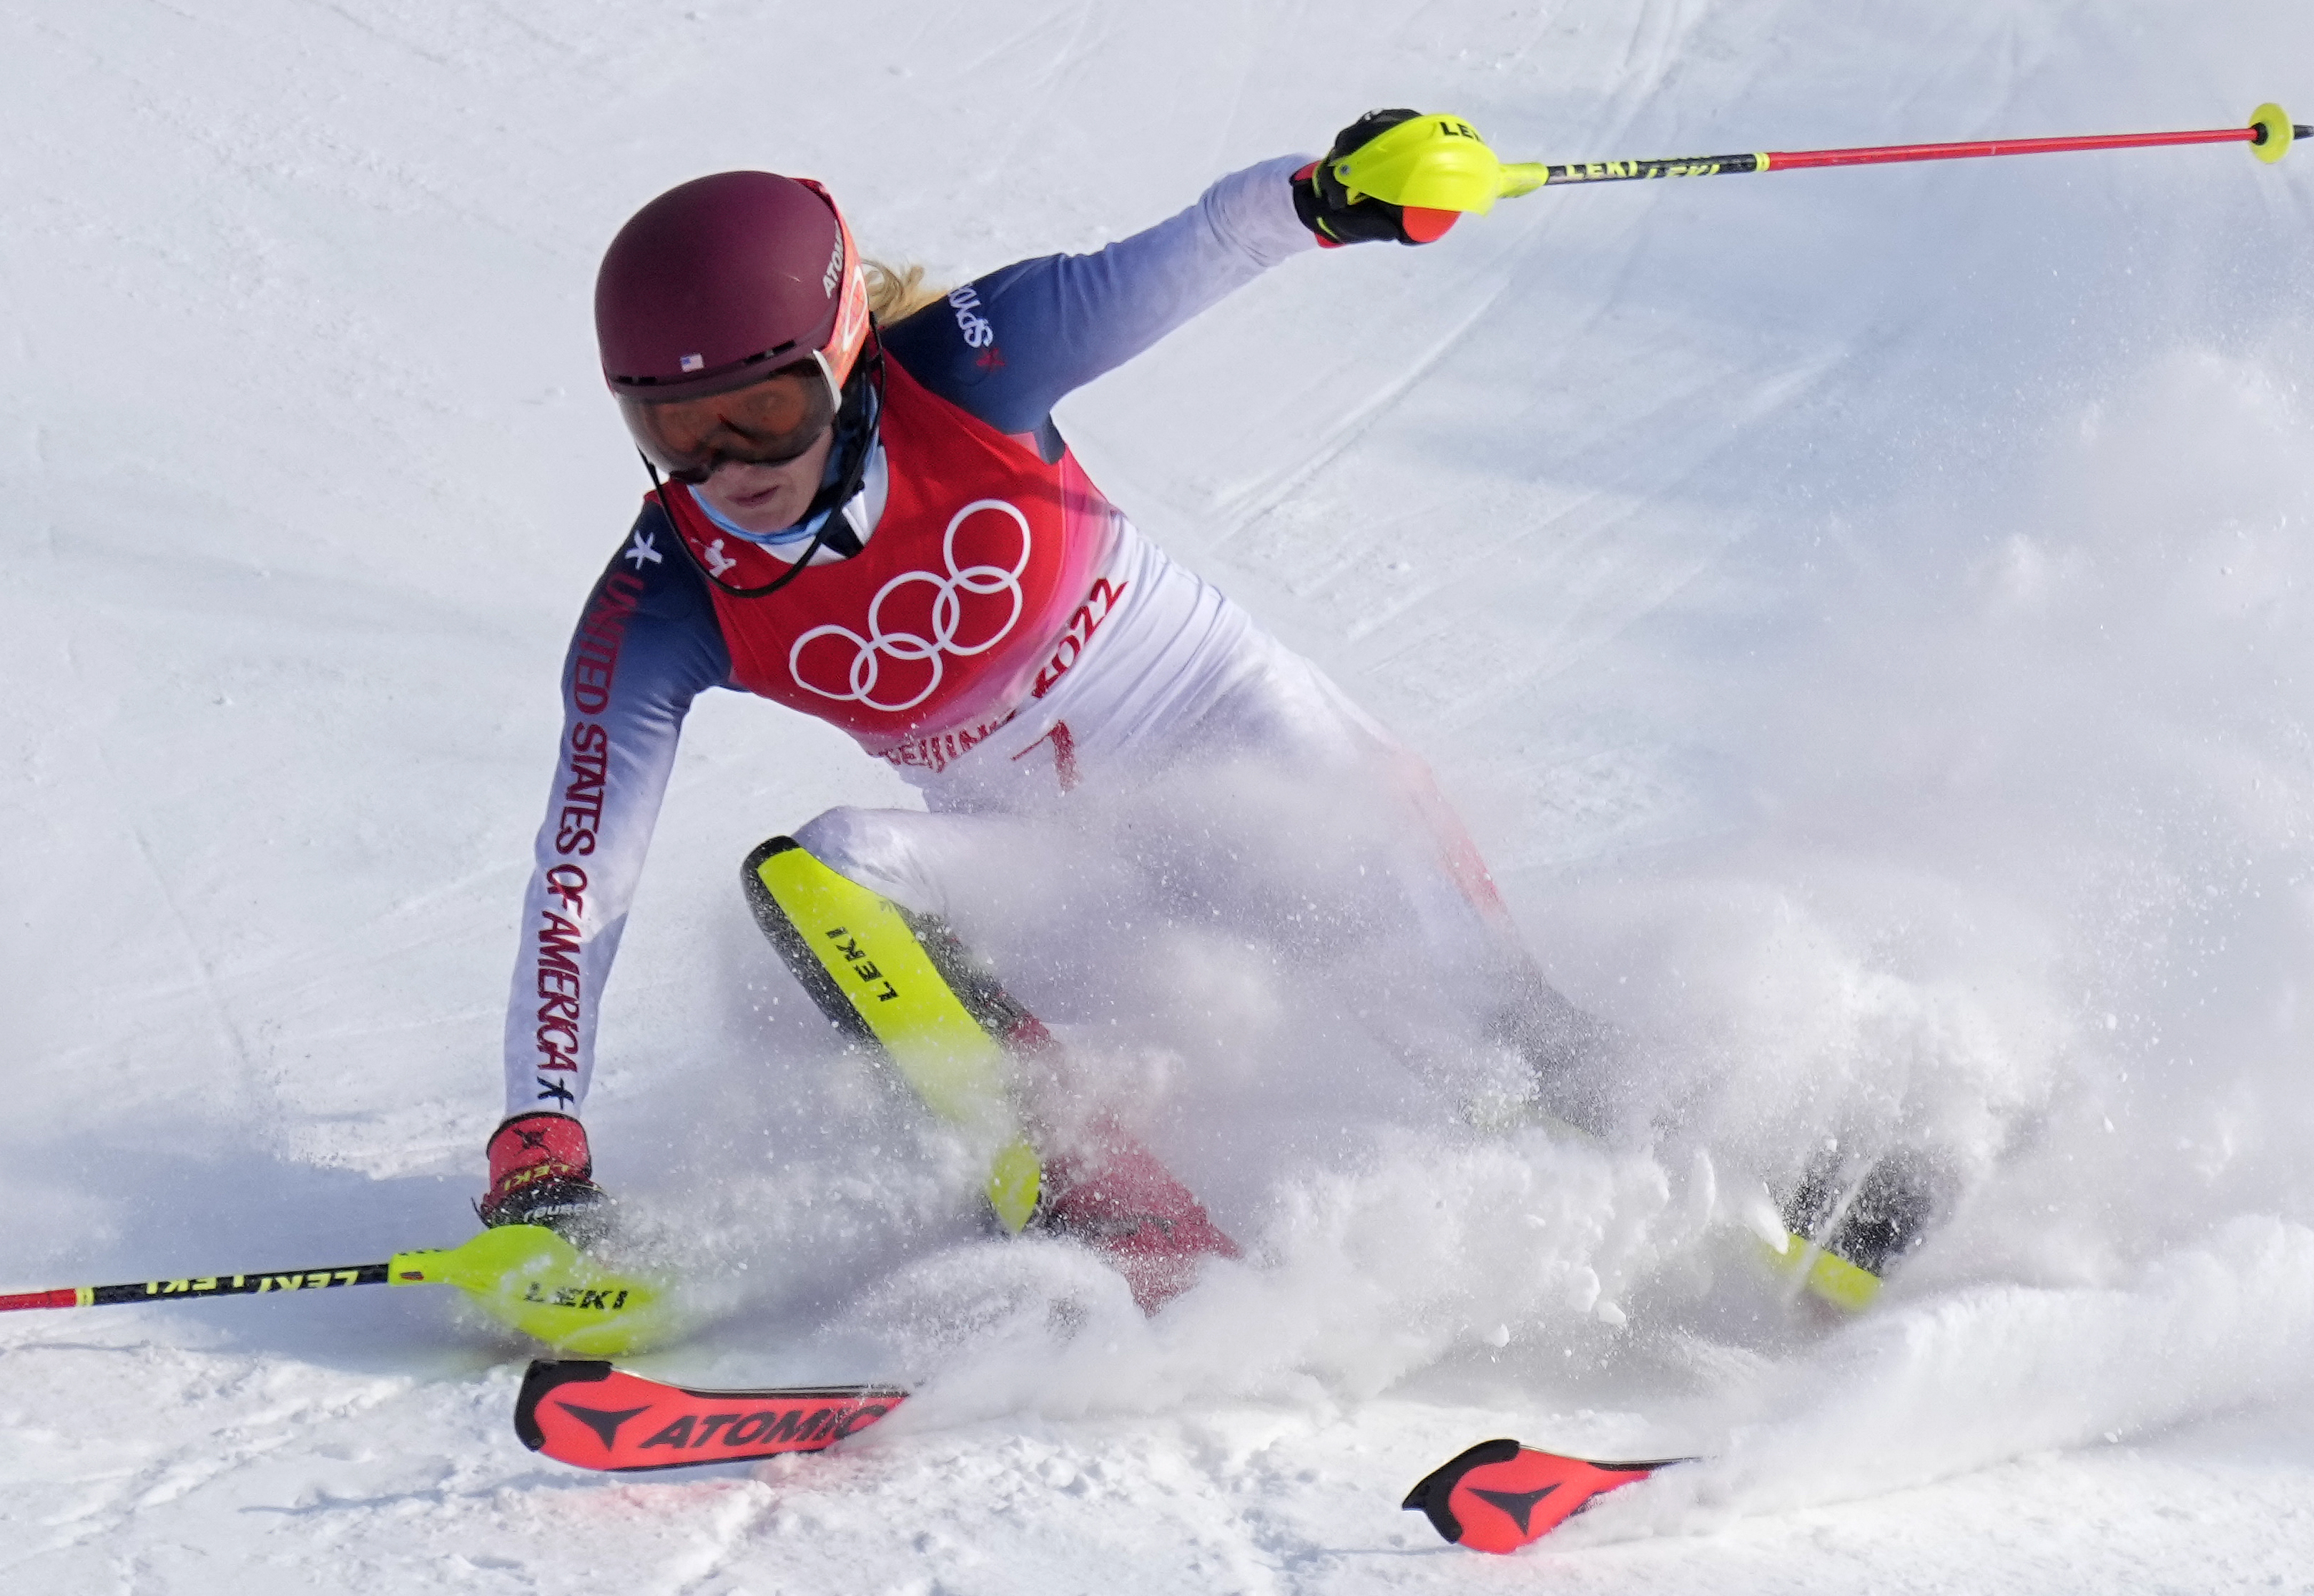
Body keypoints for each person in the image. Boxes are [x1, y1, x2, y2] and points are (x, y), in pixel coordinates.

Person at [475, 113, 1614, 1303]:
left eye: (762, 412)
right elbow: (578, 877)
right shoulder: (660, 603)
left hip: (1245, 756)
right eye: (675, 430)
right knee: (821, 875)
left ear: (842, 353)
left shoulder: (967, 370)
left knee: (1481, 1032)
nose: (728, 468)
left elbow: (1208, 241)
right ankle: (1106, 1200)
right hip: (1074, 879)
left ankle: (1669, 1159)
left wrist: (1334, 194)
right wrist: (537, 1140)